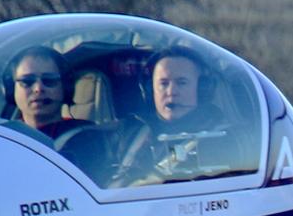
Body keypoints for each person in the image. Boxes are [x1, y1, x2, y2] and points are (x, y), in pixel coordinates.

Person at [100, 48, 253, 186]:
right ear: (148, 89)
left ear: (202, 89)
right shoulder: (130, 132)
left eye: (182, 83)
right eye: (163, 83)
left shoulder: (222, 139)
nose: (171, 91)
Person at [2, 47, 89, 142]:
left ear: (65, 87)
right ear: (11, 88)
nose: (38, 89)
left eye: (49, 80)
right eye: (27, 81)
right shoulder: (1, 137)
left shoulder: (89, 137)